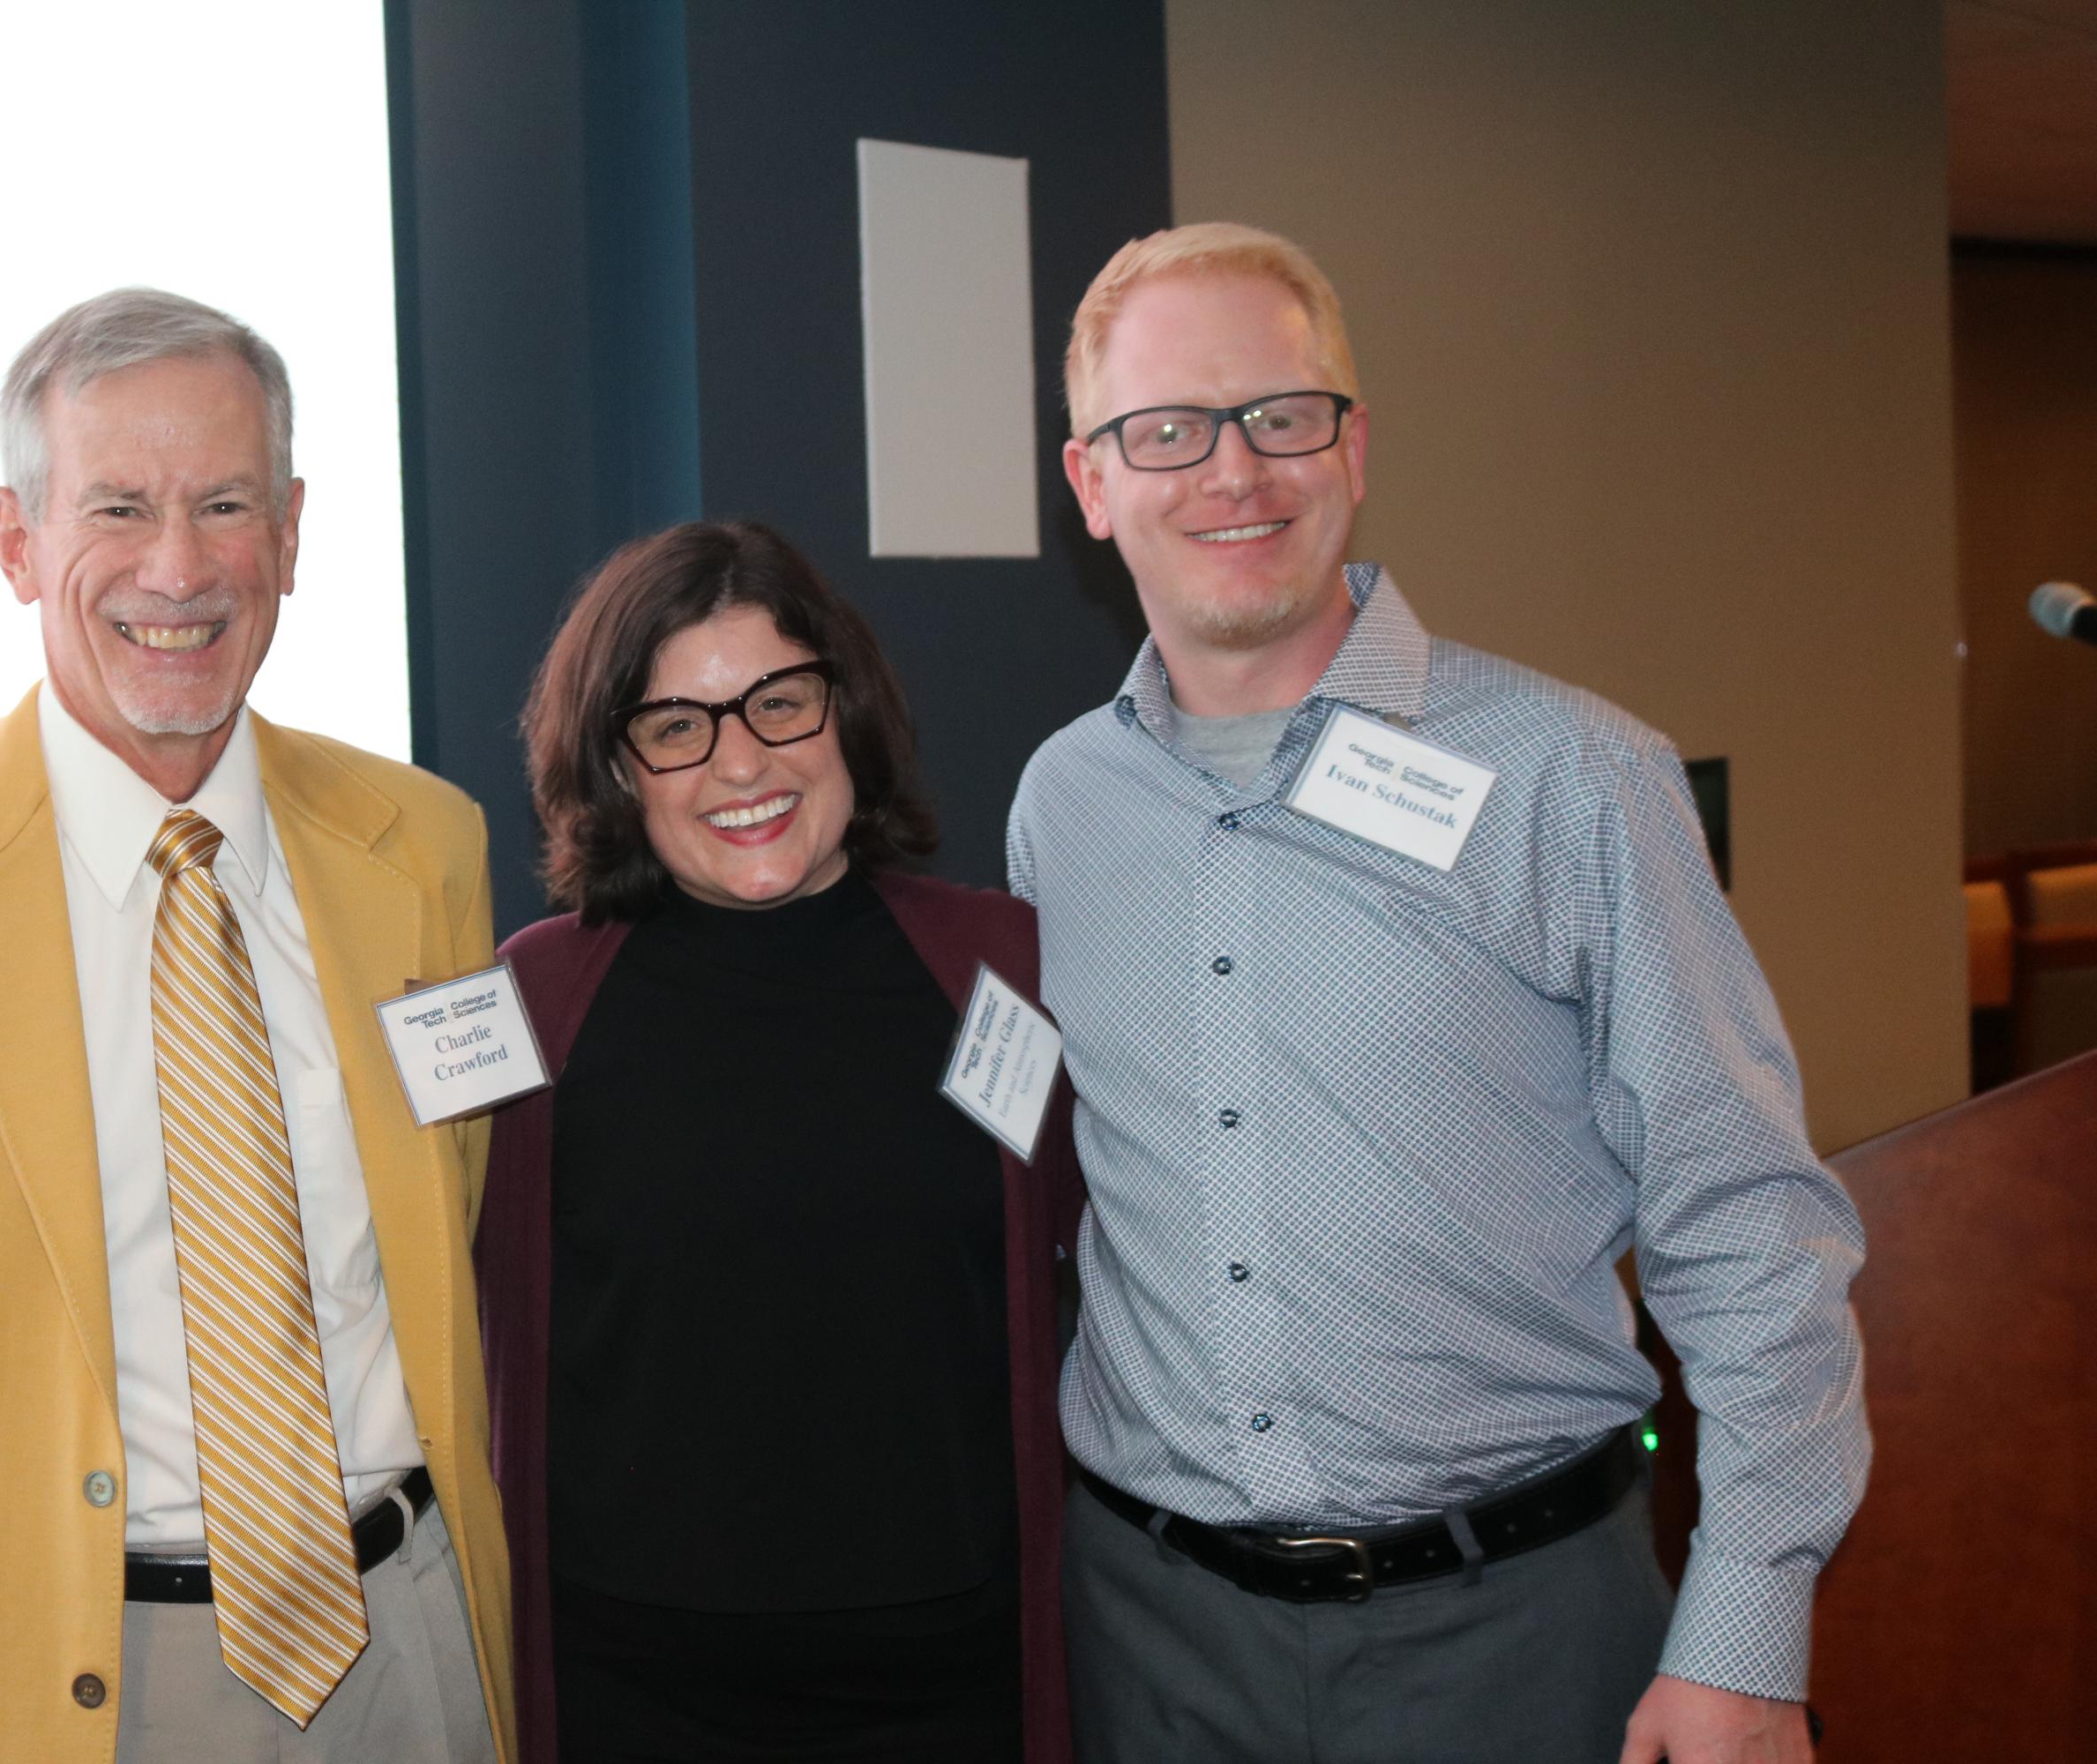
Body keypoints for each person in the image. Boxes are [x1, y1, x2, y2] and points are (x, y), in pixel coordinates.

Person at [1008, 223, 1869, 1764]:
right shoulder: (1059, 807)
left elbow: (1746, 1221)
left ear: (1353, 446)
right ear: (1091, 482)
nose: (1234, 470)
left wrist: (1746, 1639)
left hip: (1514, 1636)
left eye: (1281, 415)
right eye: (1169, 430)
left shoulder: (1576, 777)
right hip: (1152, 1641)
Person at [0, 288, 512, 1763]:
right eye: (119, 508)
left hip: (411, 1639)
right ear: (15, 541)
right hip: (56, 1671)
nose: (178, 568)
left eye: (226, 505)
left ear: (293, 532)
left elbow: (460, 1209)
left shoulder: (426, 847)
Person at [474, 519, 1081, 1762]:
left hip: (951, 1683)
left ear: (845, 712)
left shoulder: (1002, 966)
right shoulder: (531, 1000)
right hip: (631, 1691)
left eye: (780, 704)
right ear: (619, 766)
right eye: (676, 726)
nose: (741, 762)